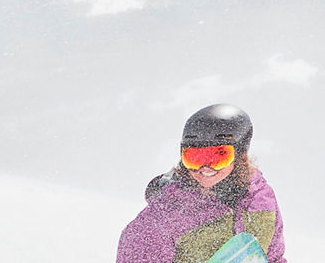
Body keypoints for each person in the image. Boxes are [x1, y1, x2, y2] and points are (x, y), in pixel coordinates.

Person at [118, 104, 288, 263]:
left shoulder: (261, 198)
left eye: (218, 155)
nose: (204, 168)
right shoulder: (162, 217)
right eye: (194, 157)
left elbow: (273, 258)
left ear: (240, 152)